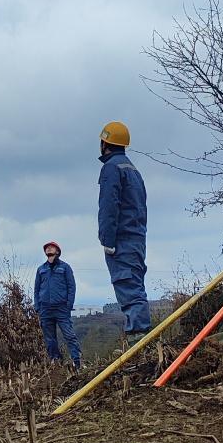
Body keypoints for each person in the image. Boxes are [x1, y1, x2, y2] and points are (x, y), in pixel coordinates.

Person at [97, 121, 151, 338]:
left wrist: (107, 241)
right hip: (137, 238)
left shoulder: (111, 168)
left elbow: (109, 206)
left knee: (128, 288)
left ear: (105, 143)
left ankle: (139, 343)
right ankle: (142, 341)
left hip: (122, 241)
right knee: (136, 286)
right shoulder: (133, 170)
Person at [33, 241, 81, 367]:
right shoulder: (41, 269)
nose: (48, 248)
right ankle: (56, 361)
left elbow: (72, 287)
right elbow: (36, 289)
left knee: (69, 335)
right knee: (50, 339)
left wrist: (69, 305)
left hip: (61, 308)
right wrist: (37, 306)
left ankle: (77, 360)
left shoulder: (65, 267)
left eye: (51, 247)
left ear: (58, 251)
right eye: (46, 248)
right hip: (45, 309)